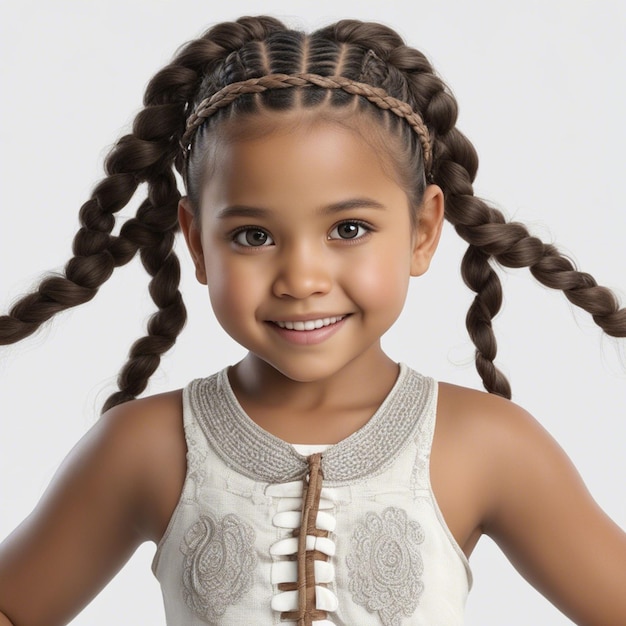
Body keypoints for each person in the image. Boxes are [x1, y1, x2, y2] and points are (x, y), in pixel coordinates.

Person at [0, 14, 625, 626]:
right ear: (195, 242)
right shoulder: (143, 448)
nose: (302, 280)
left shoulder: (491, 446)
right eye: (252, 235)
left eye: (348, 229)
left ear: (423, 231)